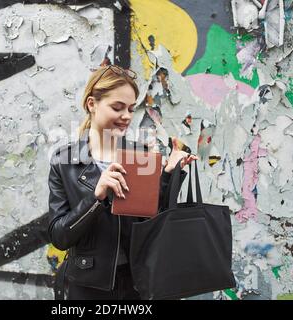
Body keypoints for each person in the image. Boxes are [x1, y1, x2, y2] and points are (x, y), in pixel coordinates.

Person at [48, 64, 198, 300]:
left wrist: (169, 174)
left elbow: (154, 220)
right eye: (117, 107)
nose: (127, 116)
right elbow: (59, 236)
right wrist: (96, 197)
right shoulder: (64, 162)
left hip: (137, 285)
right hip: (87, 286)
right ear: (92, 104)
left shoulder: (139, 155)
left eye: (130, 108)